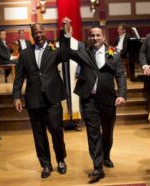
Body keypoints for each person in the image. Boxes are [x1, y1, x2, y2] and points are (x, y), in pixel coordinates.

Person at [63, 18, 127, 183]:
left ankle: (106, 155)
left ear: (103, 37)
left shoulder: (114, 53)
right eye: (93, 36)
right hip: (89, 100)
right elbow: (67, 52)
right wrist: (66, 34)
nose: (96, 38)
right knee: (93, 134)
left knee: (107, 132)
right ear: (89, 37)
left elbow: (120, 75)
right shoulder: (84, 52)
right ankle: (98, 167)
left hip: (108, 100)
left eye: (98, 35)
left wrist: (121, 94)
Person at [12, 23, 67, 179]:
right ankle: (46, 164)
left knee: (56, 130)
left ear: (45, 32)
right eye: (35, 33)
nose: (38, 35)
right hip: (34, 99)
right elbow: (19, 77)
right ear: (32, 35)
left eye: (40, 32)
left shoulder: (54, 49)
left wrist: (64, 32)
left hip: (53, 97)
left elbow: (65, 55)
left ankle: (61, 159)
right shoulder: (25, 53)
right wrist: (16, 96)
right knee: (39, 134)